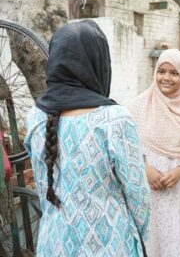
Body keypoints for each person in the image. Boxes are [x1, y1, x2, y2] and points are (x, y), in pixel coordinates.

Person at [23, 20, 151, 256]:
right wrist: (140, 240)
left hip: (55, 243)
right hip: (111, 243)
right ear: (99, 62)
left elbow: (43, 192)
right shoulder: (114, 120)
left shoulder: (35, 117)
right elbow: (139, 198)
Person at [130, 49, 180, 257]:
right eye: (161, 71)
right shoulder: (137, 107)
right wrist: (143, 168)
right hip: (145, 192)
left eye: (174, 73)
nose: (166, 78)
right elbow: (125, 147)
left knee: (175, 246)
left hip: (178, 197)